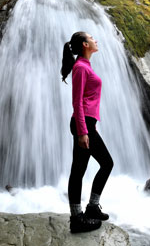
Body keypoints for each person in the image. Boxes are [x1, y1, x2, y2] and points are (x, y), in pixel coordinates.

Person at [61, 31, 114, 233]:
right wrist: (83, 131)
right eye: (92, 38)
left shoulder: (85, 66)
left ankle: (90, 209)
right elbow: (77, 102)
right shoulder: (81, 68)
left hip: (87, 124)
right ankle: (78, 217)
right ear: (85, 44)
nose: (95, 40)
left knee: (81, 168)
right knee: (100, 165)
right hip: (83, 126)